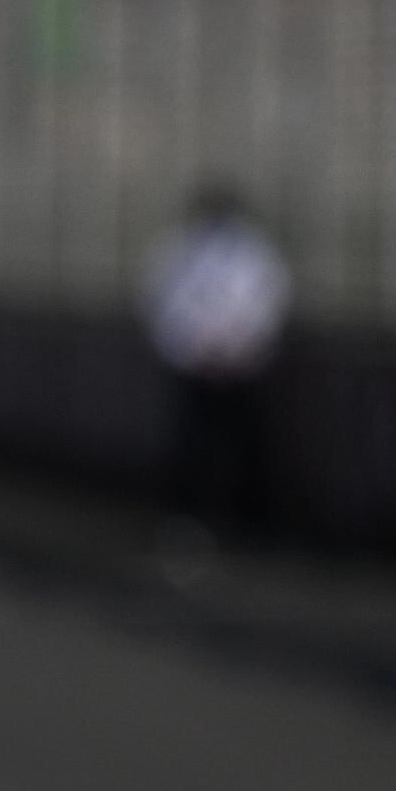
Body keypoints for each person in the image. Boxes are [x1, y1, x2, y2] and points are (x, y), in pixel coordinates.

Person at [146, 183, 286, 542]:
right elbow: (165, 305)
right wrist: (197, 350)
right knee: (191, 446)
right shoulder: (180, 250)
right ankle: (188, 518)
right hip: (194, 370)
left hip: (240, 371)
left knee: (245, 447)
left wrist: (233, 351)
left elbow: (265, 306)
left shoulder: (253, 253)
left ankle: (247, 522)